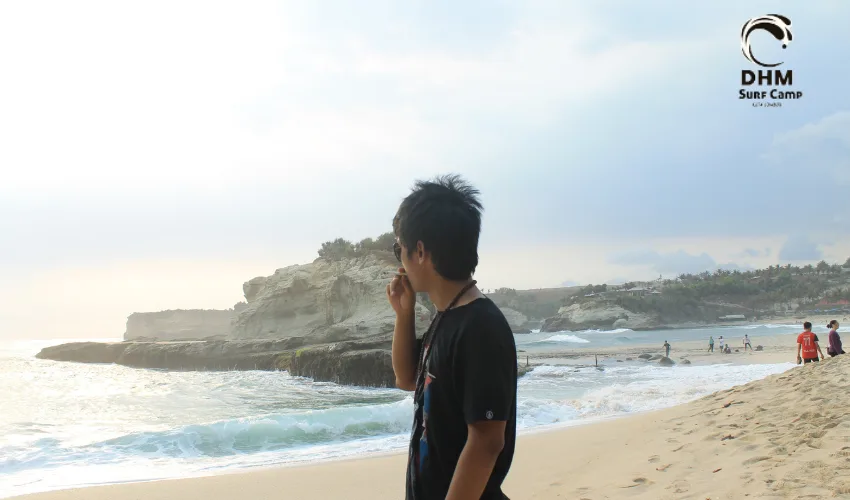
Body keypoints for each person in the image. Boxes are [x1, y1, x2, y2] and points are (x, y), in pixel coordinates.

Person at [387, 174, 517, 500]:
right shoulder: (447, 317)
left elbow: (487, 441)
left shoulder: (481, 327)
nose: (399, 259)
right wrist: (404, 314)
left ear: (419, 251)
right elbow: (406, 378)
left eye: (399, 248)